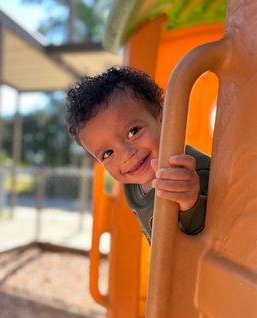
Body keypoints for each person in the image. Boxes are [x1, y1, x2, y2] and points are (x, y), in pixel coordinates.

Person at [66, 67, 210, 242]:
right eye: (108, 153)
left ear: (164, 118)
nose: (126, 155)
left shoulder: (190, 172)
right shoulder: (133, 187)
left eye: (133, 132)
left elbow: (221, 238)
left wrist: (190, 202)